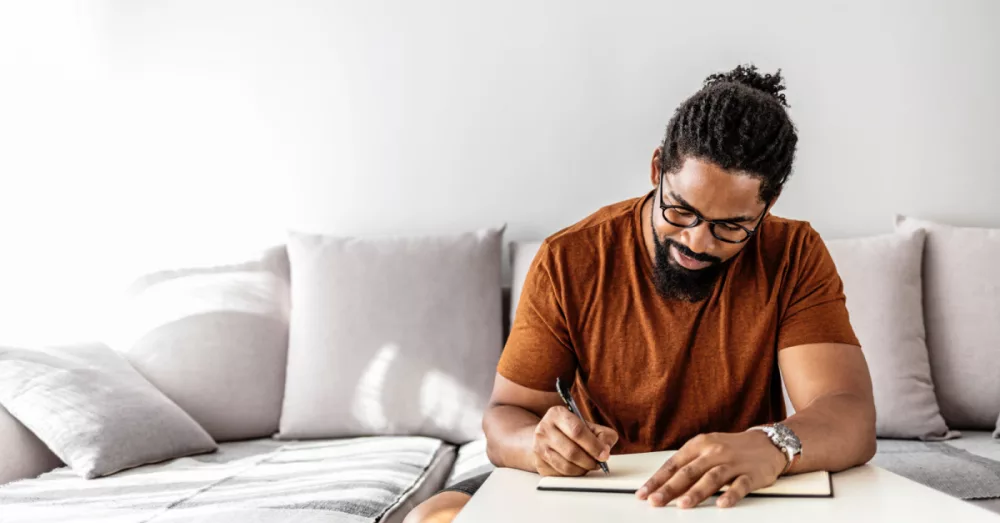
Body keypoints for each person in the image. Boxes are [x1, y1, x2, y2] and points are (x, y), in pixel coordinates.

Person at [403, 64, 876, 523]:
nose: (698, 241)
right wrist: (538, 444)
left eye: (730, 227)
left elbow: (849, 413)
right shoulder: (570, 258)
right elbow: (506, 417)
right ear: (657, 169)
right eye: (681, 211)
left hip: (731, 495)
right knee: (434, 515)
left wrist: (772, 444)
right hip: (598, 488)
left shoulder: (793, 253)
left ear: (767, 206)